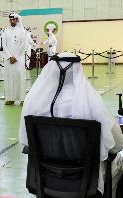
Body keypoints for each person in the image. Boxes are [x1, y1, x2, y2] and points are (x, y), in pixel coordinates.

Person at [19, 52, 123, 196]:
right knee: (119, 162)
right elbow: (117, 145)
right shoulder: (91, 103)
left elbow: (26, 143)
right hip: (87, 181)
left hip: (46, 177)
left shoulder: (34, 103)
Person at [3, 13, 27, 106]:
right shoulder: (6, 31)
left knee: (20, 78)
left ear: (17, 20)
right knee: (9, 78)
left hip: (19, 59)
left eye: (14, 19)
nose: (12, 21)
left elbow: (23, 45)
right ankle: (10, 99)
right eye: (10, 20)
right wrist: (9, 56)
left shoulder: (22, 31)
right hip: (9, 60)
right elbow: (4, 45)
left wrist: (15, 57)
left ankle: (22, 99)